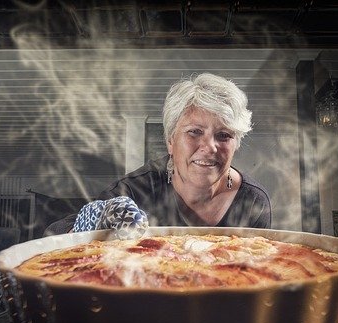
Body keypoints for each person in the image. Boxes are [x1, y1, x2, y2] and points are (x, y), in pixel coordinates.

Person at [46, 73, 271, 235]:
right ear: (171, 141)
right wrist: (85, 227)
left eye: (224, 135)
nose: (210, 147)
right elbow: (52, 237)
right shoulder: (136, 191)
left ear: (236, 144)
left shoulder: (253, 202)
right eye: (194, 132)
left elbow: (258, 277)